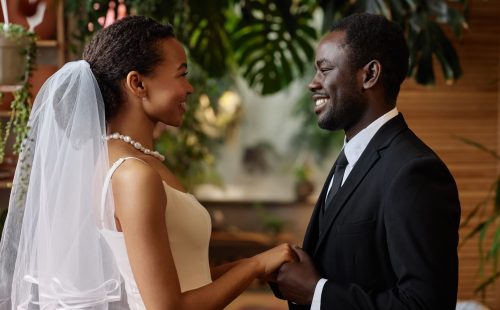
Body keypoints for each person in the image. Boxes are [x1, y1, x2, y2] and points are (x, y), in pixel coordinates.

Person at [0, 16, 295, 309]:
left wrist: (253, 264)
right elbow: (168, 308)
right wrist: (255, 266)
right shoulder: (133, 175)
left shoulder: (127, 162)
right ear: (137, 83)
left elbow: (185, 280)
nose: (189, 88)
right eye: (181, 74)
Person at [272, 13, 461, 309]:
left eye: (325, 70)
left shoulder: (414, 172)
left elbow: (426, 303)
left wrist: (317, 293)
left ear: (369, 75)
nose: (313, 83)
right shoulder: (351, 158)